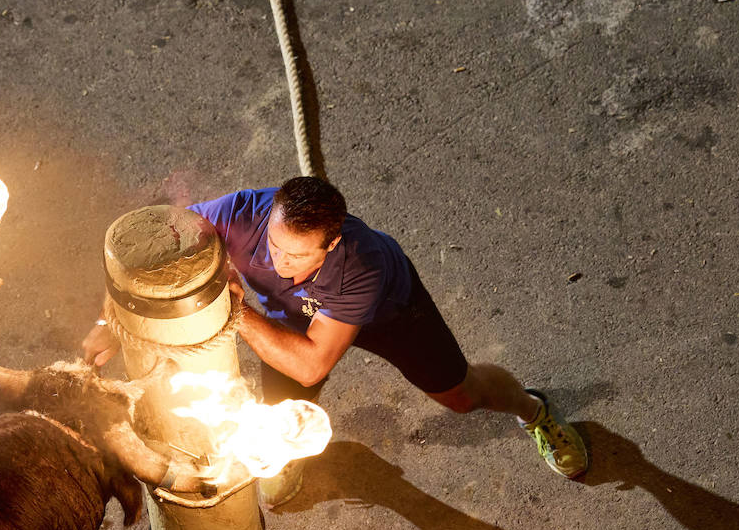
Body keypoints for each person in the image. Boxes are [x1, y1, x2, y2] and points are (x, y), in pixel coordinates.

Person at [83, 176, 587, 493]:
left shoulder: (361, 265)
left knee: (460, 395)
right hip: (291, 319)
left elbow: (311, 364)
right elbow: (158, 255)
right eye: (275, 247)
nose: (280, 263)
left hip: (390, 317)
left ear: (332, 242)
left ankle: (533, 410)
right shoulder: (239, 215)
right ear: (268, 215)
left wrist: (234, 314)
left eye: (297, 256)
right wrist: (111, 321)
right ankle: (289, 454)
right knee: (277, 414)